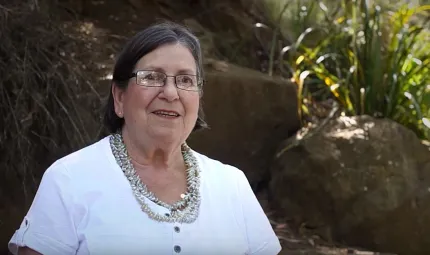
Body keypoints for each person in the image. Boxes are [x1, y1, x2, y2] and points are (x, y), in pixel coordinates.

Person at [8, 21, 282, 255]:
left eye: (186, 80)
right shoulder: (69, 179)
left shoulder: (232, 184)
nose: (171, 93)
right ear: (119, 96)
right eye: (152, 77)